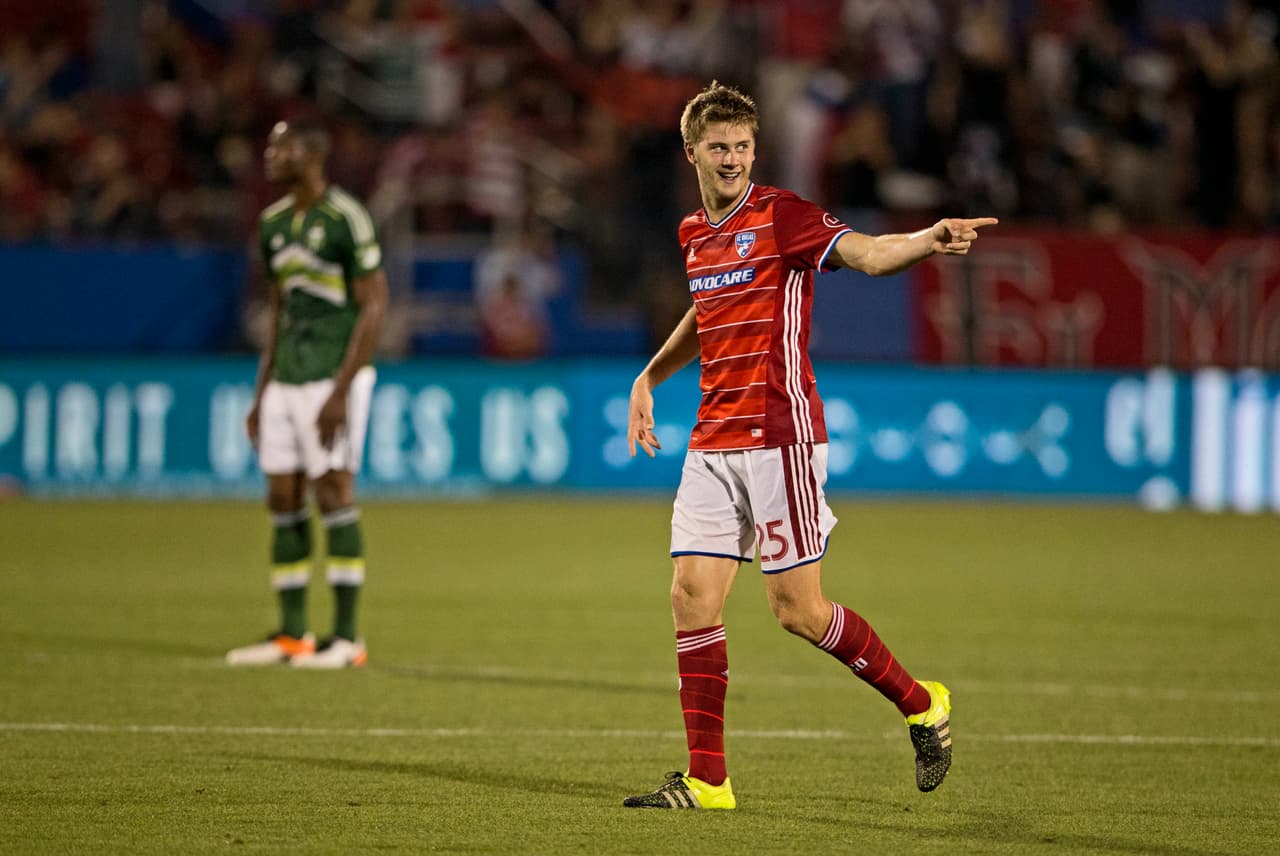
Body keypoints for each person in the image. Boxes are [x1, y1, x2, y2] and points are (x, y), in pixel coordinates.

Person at [622, 82, 997, 809]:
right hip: (711, 438)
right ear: (692, 151)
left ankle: (923, 703)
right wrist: (648, 377)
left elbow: (869, 254)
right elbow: (705, 314)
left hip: (778, 433)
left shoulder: (782, 215)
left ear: (753, 150)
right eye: (719, 147)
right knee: (691, 596)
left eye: (742, 146)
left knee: (797, 610)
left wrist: (926, 240)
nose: (731, 159)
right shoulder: (693, 231)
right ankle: (708, 780)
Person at [226, 118, 388, 669]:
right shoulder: (272, 225)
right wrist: (261, 390)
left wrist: (342, 389)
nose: (271, 154)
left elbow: (374, 303)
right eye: (270, 145)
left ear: (313, 155)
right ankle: (292, 635)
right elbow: (279, 309)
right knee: (282, 496)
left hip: (331, 375)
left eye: (283, 146)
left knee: (333, 492)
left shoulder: (345, 217)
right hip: (286, 377)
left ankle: (346, 640)